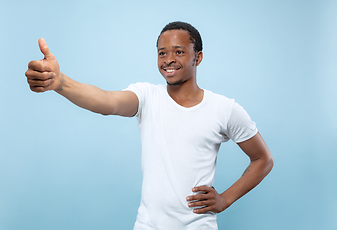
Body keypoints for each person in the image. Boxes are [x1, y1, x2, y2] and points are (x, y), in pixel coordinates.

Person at [25, 21, 273, 229]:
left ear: (198, 57)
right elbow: (107, 101)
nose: (168, 60)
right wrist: (60, 83)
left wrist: (225, 199)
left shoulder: (224, 109)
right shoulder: (147, 97)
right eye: (162, 52)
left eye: (179, 51)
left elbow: (263, 159)